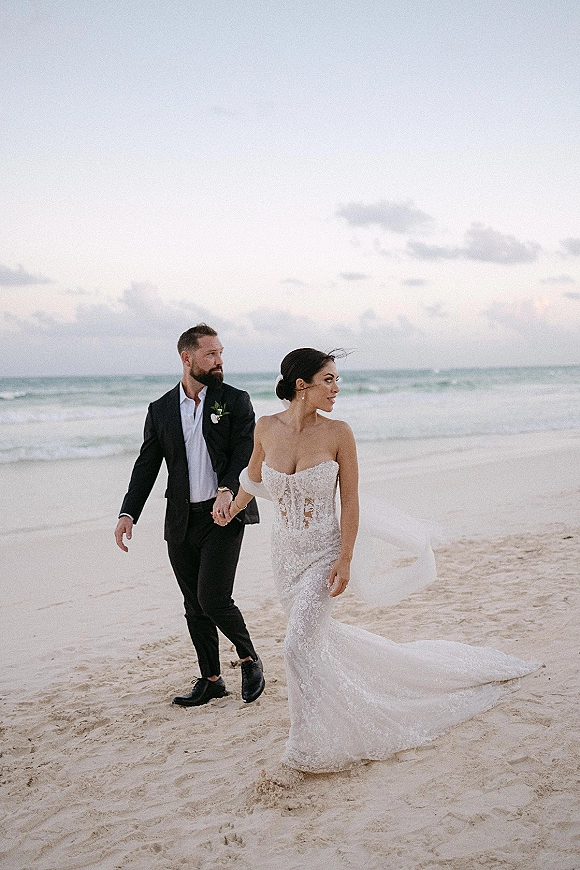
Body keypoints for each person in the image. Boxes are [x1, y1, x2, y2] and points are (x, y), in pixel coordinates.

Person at [220, 347, 540, 775]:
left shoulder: (339, 433)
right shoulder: (265, 428)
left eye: (337, 380)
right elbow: (252, 480)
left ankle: (305, 745)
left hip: (323, 553)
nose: (337, 388)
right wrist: (231, 510)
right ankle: (344, 710)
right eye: (328, 380)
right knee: (314, 643)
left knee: (296, 646)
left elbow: (349, 500)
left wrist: (346, 557)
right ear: (302, 385)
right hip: (285, 557)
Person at [114, 324, 265, 707]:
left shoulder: (235, 400)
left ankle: (248, 658)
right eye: (211, 354)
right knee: (193, 605)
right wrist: (128, 512)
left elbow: (245, 452)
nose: (219, 361)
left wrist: (228, 490)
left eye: (220, 353)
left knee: (213, 598)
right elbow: (146, 465)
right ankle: (212, 680)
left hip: (225, 514)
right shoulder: (161, 409)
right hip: (181, 519)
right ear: (187, 357)